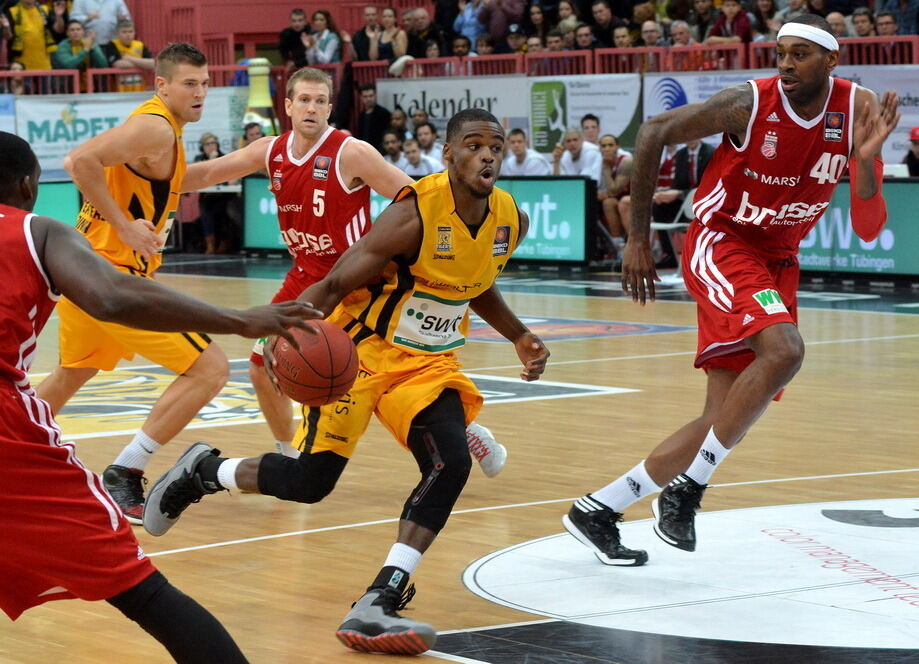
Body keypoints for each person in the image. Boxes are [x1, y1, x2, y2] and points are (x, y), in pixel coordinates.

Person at [142, 108, 551, 657]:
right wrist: (282, 340)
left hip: (428, 366)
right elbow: (336, 281)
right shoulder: (413, 214)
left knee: (449, 462)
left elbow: (473, 282)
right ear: (449, 154)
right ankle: (204, 470)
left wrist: (519, 334)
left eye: (495, 147)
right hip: (359, 356)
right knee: (311, 482)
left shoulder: (508, 219)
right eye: (474, 145)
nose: (487, 155)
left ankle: (381, 598)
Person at [563, 16, 899, 565]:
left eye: (800, 55)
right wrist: (638, 241)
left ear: (831, 61)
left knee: (726, 414)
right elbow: (651, 133)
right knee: (785, 350)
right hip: (723, 242)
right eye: (780, 53)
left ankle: (598, 509)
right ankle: (687, 492)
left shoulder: (858, 110)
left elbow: (867, 226)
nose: (785, 64)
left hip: (778, 260)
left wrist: (864, 162)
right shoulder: (748, 102)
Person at [0, 130, 317, 664]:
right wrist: (238, 319)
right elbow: (112, 296)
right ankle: (128, 467)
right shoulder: (38, 231)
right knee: (140, 588)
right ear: (31, 185)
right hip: (9, 437)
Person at [177, 67, 505, 474]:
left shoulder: (352, 152)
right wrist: (153, 177)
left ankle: (465, 429)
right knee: (263, 367)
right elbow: (206, 173)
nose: (311, 108)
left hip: (353, 281)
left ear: (330, 108)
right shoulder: (270, 150)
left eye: (319, 101)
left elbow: (418, 200)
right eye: (303, 100)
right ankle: (290, 457)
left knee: (370, 378)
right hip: (304, 276)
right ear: (288, 106)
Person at [34, 43, 224, 524]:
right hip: (110, 277)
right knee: (211, 368)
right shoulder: (155, 125)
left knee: (72, 374)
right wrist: (124, 225)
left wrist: (251, 158)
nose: (200, 92)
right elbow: (79, 162)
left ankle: (11, 455)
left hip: (82, 272)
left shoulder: (165, 134)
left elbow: (185, 177)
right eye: (189, 83)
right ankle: (124, 471)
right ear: (162, 85)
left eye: (204, 83)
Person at [597, 133, 632, 253]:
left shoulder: (626, 161)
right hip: (621, 197)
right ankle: (617, 244)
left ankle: (634, 245)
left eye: (610, 145)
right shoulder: (598, 161)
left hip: (640, 196)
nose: (607, 149)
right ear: (600, 148)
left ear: (617, 147)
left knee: (623, 202)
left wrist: (606, 169)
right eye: (604, 146)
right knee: (608, 203)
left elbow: (614, 189)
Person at [50, 19, 106, 92]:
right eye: (72, 30)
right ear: (67, 33)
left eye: (78, 29)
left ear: (83, 32)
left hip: (89, 87)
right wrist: (86, 50)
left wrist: (93, 47)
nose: (75, 32)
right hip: (66, 88)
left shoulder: (89, 43)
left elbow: (103, 65)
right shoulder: (62, 46)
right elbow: (68, 65)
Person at [100, 20, 153, 93]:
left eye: (130, 31)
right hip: (118, 91)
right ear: (117, 33)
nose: (128, 35)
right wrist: (142, 64)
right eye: (124, 32)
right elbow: (118, 64)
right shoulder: (112, 45)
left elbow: (152, 64)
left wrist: (129, 58)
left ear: (134, 33)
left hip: (140, 90)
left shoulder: (140, 45)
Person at [3, 0, 57, 71]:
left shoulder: (45, 10)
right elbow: (8, 37)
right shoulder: (12, 12)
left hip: (44, 65)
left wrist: (58, 16)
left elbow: (58, 30)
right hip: (20, 66)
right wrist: (6, 27)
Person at [356, 83, 391, 153]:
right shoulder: (361, 116)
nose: (368, 99)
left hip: (380, 153)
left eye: (371, 96)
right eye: (365, 97)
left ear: (375, 96)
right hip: (365, 152)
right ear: (361, 98)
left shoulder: (384, 113)